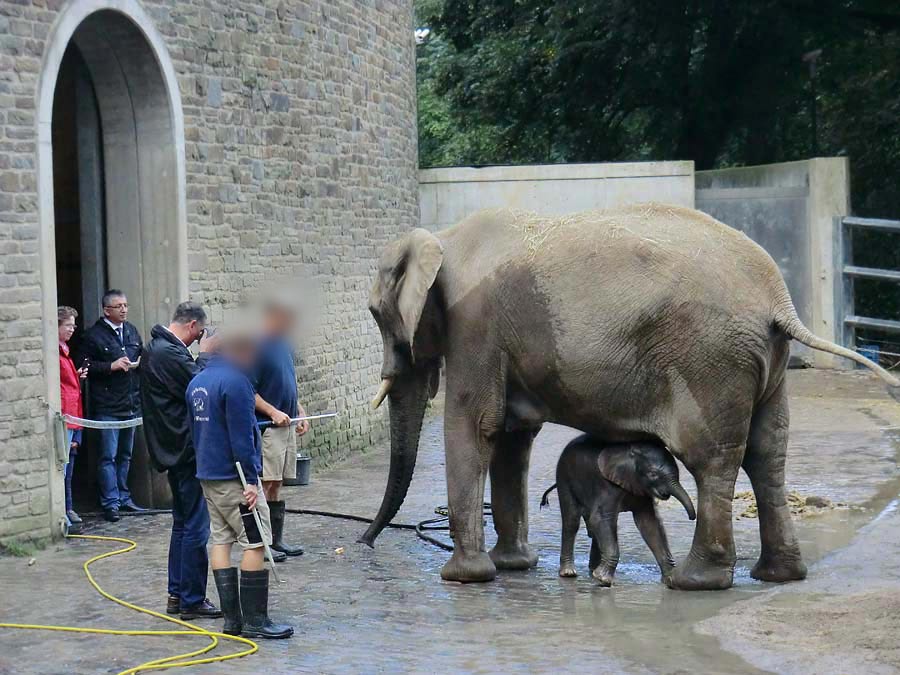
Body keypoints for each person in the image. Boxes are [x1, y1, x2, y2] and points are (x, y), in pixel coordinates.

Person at [187, 331, 294, 639]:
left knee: (220, 540)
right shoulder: (237, 383)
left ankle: (232, 620)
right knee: (255, 542)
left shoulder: (197, 382)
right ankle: (255, 621)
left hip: (208, 475)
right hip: (235, 478)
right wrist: (250, 480)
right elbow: (242, 437)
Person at [141, 301, 222, 620]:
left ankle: (178, 595)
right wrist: (207, 354)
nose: (198, 338)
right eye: (198, 333)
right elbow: (200, 388)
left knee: (183, 523)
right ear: (191, 326)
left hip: (174, 448)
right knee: (195, 527)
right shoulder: (168, 353)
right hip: (184, 450)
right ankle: (190, 598)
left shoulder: (157, 349)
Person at [80, 289, 145, 521]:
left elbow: (142, 354)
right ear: (107, 310)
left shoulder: (131, 331)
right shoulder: (93, 336)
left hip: (130, 404)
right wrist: (111, 366)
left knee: (125, 455)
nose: (124, 310)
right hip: (107, 406)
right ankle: (110, 502)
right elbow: (84, 367)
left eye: (126, 305)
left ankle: (124, 498)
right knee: (108, 455)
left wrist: (139, 364)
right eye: (119, 306)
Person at [252, 300, 309, 558]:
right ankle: (260, 543)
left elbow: (288, 382)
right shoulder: (257, 346)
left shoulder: (284, 345)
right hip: (269, 427)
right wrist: (273, 411)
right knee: (265, 483)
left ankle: (276, 540)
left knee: (277, 483)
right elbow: (248, 391)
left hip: (287, 425)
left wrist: (299, 411)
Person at [58, 306, 88, 532]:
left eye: (73, 325)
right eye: (68, 325)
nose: (72, 329)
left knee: (71, 465)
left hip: (74, 415)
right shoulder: (56, 353)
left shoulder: (65, 351)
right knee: (64, 467)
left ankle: (68, 508)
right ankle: (64, 510)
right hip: (67, 417)